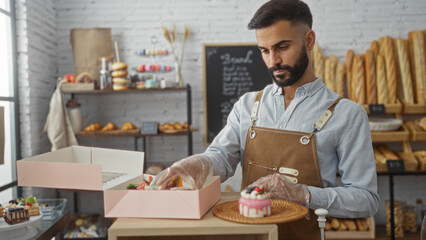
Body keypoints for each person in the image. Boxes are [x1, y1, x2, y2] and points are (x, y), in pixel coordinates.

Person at [152, 0, 380, 239]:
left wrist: (303, 194)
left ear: (309, 40)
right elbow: (221, 157)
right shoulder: (248, 105)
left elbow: (366, 199)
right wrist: (201, 163)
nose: (273, 61)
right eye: (264, 50)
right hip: (248, 234)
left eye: (282, 47)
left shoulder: (347, 114)